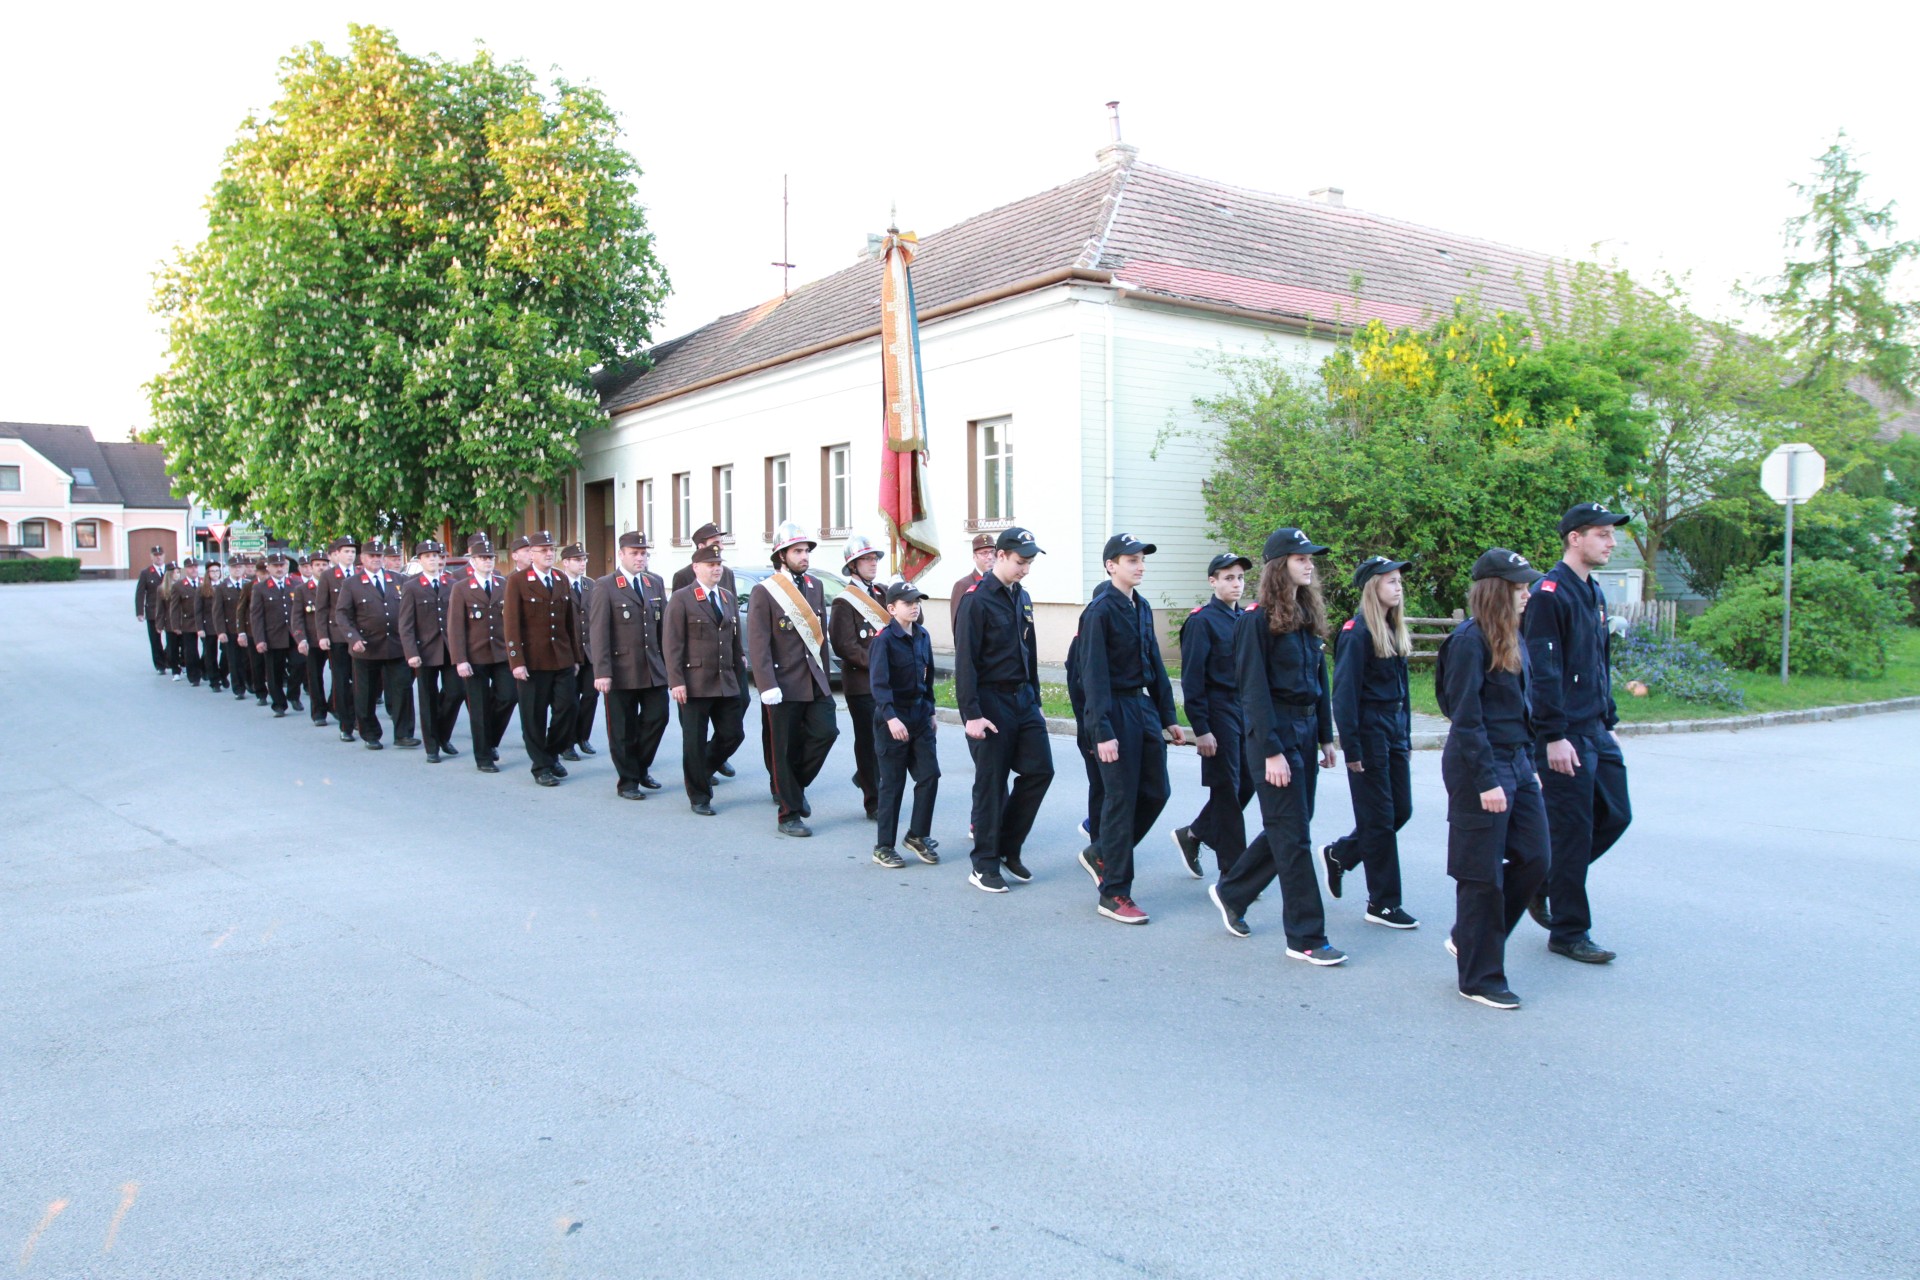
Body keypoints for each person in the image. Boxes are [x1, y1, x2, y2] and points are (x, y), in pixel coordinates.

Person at [1208, 528, 1344, 965]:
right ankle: (1306, 937)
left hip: (1305, 730)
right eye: (1301, 558)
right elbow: (1253, 692)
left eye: (1311, 558)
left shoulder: (1304, 614)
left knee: (1293, 825)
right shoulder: (1255, 620)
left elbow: (1318, 680)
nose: (1310, 564)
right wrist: (1271, 751)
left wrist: (1325, 735)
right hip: (1275, 734)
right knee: (1294, 838)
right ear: (1280, 566)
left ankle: (1233, 890)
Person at [1439, 549, 1552, 1009]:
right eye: (1519, 588)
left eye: (1526, 587)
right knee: (1481, 875)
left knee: (1536, 857)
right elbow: (1464, 716)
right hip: (1478, 766)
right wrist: (1487, 780)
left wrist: (1529, 768)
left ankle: (1471, 938)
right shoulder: (1468, 641)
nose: (1527, 594)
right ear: (1495, 591)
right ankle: (1479, 978)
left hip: (1517, 762)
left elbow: (1522, 709)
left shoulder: (1513, 634)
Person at [1525, 502, 1634, 965]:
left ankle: (1542, 882)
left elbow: (1597, 661)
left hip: (1594, 728)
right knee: (1572, 832)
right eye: (1603, 534)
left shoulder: (1593, 591)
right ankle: (1569, 932)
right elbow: (1544, 671)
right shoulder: (1549, 594)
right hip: (1564, 733)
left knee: (1616, 815)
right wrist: (1552, 735)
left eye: (1612, 534)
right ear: (1575, 538)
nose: (1612, 542)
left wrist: (1608, 718)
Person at [1074, 534, 1185, 924]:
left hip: (1143, 707)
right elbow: (1092, 676)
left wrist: (1169, 715)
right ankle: (1114, 893)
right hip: (1114, 709)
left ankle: (1102, 851)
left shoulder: (1142, 606)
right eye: (1131, 560)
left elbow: (1155, 662)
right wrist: (1101, 730)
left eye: (1142, 560)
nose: (1140, 566)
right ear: (1111, 566)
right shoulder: (1099, 611)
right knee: (1120, 799)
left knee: (1156, 791)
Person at [954, 526, 1053, 893]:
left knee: (1040, 770)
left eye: (1029, 563)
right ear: (1000, 556)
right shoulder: (976, 600)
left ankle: (1009, 848)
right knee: (992, 784)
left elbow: (1030, 651)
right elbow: (965, 661)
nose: (1025, 569)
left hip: (1023, 699)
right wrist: (971, 714)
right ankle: (984, 864)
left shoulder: (1021, 596)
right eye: (1020, 562)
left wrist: (1036, 701)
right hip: (990, 701)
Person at [1323, 555, 1419, 929]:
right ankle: (1383, 903)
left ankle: (1342, 854)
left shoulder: (1393, 628)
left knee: (1400, 811)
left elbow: (1403, 691)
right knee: (1377, 819)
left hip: (1393, 729)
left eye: (1399, 580)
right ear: (1372, 587)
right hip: (1369, 731)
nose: (1398, 586)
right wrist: (1352, 747)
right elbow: (1344, 694)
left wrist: (1405, 736)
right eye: (1391, 580)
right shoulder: (1357, 632)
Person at [748, 521, 839, 836]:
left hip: (814, 680)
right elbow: (759, 643)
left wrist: (825, 676)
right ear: (781, 555)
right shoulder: (765, 591)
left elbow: (819, 638)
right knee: (784, 750)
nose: (804, 556)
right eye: (797, 551)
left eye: (806, 551)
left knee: (827, 732)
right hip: (783, 683)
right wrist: (766, 685)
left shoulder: (815, 586)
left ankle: (794, 789)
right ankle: (788, 815)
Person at [1172, 553, 1255, 878]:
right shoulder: (1201, 622)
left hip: (1244, 711)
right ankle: (1234, 873)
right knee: (1227, 790)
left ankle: (1194, 834)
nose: (1236, 584)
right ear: (1213, 582)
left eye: (1240, 578)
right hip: (1218, 712)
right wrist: (1201, 728)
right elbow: (1192, 680)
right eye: (1229, 578)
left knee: (1248, 783)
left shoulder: (1245, 619)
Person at [664, 544, 746, 814]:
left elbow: (734, 639)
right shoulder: (682, 598)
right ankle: (699, 796)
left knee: (733, 733)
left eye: (719, 564)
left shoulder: (727, 597)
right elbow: (672, 643)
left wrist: (739, 666)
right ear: (696, 568)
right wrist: (676, 681)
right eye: (710, 565)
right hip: (695, 683)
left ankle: (701, 769)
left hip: (725, 680)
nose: (716, 569)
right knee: (694, 741)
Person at [590, 531, 671, 800]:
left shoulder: (653, 583)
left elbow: (664, 628)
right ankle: (628, 781)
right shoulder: (605, 586)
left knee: (658, 717)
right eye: (634, 553)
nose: (640, 558)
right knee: (622, 728)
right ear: (621, 554)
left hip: (652, 668)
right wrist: (602, 672)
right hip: (621, 670)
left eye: (643, 553)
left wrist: (670, 667)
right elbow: (599, 631)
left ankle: (640, 767)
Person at [867, 581, 940, 868]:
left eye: (917, 602)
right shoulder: (884, 640)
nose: (914, 607)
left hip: (920, 715)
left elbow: (928, 677)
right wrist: (891, 717)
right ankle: (883, 846)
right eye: (908, 602)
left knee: (929, 775)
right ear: (892, 608)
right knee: (893, 784)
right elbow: (879, 684)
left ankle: (917, 835)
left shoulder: (922, 635)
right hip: (893, 719)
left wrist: (931, 711)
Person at [503, 530, 581, 787]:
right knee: (534, 716)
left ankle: (551, 752)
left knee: (568, 708)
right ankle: (541, 766)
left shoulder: (560, 578)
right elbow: (511, 624)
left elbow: (570, 622)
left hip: (562, 658)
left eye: (551, 549)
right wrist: (516, 661)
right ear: (531, 554)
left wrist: (576, 657)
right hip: (533, 661)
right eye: (543, 550)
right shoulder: (518, 581)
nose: (549, 554)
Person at [829, 534, 889, 820]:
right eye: (866, 559)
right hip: (862, 684)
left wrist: (906, 590)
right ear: (853, 566)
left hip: (887, 683)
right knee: (869, 742)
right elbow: (845, 645)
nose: (873, 563)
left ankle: (865, 776)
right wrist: (879, 664)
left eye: (874, 558)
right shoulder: (844, 601)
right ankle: (873, 801)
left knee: (889, 740)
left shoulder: (883, 593)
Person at [334, 540, 414, 750]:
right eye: (372, 556)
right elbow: (342, 614)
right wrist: (353, 638)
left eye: (379, 556)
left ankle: (403, 734)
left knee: (402, 689)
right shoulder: (351, 584)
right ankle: (370, 734)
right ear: (362, 558)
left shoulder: (398, 579)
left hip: (396, 645)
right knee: (366, 693)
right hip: (367, 647)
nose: (376, 559)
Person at [447, 534, 516, 774]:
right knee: (479, 707)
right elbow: (455, 627)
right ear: (473, 561)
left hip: (501, 654)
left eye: (490, 557)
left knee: (509, 696)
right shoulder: (461, 588)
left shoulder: (503, 584)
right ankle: (483, 757)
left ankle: (490, 739)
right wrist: (460, 659)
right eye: (482, 558)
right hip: (475, 656)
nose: (487, 561)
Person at [398, 539, 464, 764]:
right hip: (424, 650)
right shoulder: (411, 586)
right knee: (427, 699)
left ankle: (442, 734)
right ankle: (432, 747)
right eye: (428, 556)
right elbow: (406, 624)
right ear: (420, 560)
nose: (433, 560)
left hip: (450, 649)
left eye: (436, 556)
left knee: (456, 692)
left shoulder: (451, 584)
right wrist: (411, 652)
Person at [248, 551, 308, 716]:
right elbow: (256, 616)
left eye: (282, 565)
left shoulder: (296, 584)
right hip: (273, 635)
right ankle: (279, 704)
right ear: (268, 568)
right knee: (274, 672)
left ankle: (293, 695)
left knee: (299, 664)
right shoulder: (260, 588)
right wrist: (259, 639)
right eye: (275, 566)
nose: (279, 568)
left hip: (295, 635)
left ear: (287, 567)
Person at [560, 543, 600, 760]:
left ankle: (583, 736)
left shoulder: (590, 585)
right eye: (577, 560)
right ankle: (567, 743)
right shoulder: (558, 584)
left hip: (589, 650)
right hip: (569, 652)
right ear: (565, 562)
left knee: (591, 695)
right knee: (570, 699)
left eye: (584, 559)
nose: (582, 563)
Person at [316, 537, 358, 738]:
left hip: (359, 636)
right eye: (346, 551)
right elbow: (322, 608)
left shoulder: (359, 574)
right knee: (341, 681)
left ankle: (358, 717)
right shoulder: (328, 576)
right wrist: (323, 635)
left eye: (353, 551)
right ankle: (345, 723)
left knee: (360, 680)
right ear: (337, 554)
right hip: (337, 636)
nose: (350, 555)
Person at [296, 555, 332, 725]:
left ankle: (334, 704)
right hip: (313, 639)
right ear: (311, 568)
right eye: (317, 564)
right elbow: (297, 617)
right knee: (315, 677)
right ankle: (318, 712)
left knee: (341, 676)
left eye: (324, 564)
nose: (321, 567)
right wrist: (301, 638)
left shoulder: (337, 586)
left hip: (334, 638)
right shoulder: (302, 590)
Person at [166, 557, 208, 685]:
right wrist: (175, 625)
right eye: (190, 567)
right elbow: (174, 607)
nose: (193, 569)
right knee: (190, 651)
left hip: (205, 622)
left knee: (208, 648)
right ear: (185, 569)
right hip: (188, 622)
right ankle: (194, 676)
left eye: (195, 566)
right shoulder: (179, 586)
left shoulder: (205, 583)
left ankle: (204, 668)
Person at [213, 558, 250, 697]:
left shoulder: (249, 585)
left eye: (240, 567)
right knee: (234, 660)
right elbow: (218, 612)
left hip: (248, 628)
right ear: (229, 569)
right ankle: (238, 688)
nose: (237, 569)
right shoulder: (222, 587)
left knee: (248, 659)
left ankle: (249, 682)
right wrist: (220, 631)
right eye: (234, 567)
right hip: (231, 629)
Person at [948, 531, 996, 633]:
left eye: (992, 552)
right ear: (974, 557)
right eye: (984, 553)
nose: (990, 557)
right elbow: (958, 627)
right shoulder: (963, 585)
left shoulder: (1000, 583)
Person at [135, 544, 170, 673]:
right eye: (155, 555)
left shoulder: (171, 570)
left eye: (160, 555)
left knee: (173, 639)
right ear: (151, 557)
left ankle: (168, 658)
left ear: (164, 555)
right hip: (153, 611)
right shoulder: (146, 573)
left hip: (170, 611)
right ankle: (160, 665)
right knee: (155, 640)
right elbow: (140, 593)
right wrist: (139, 612)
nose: (158, 557)